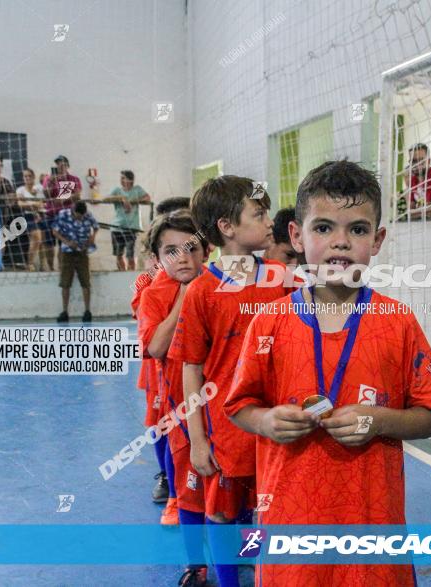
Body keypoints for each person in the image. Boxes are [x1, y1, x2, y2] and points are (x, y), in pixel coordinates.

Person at [224, 160, 431, 586]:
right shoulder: (269, 323)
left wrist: (378, 419)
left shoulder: (397, 322)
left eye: (359, 230)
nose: (341, 243)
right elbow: (238, 406)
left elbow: (428, 418)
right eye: (324, 228)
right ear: (296, 235)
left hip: (372, 530)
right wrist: (267, 420)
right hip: (290, 526)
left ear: (378, 239)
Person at [168, 175, 291, 587]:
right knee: (221, 512)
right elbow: (191, 369)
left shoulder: (281, 280)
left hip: (275, 427)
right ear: (227, 227)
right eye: (258, 213)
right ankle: (228, 581)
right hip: (226, 432)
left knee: (265, 509)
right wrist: (198, 439)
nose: (269, 220)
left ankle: (258, 574)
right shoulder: (202, 291)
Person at [138, 210, 211, 582]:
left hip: (227, 409)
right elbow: (155, 347)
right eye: (171, 251)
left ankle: (245, 556)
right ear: (157, 259)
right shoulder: (154, 295)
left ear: (205, 251)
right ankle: (195, 563)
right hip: (182, 411)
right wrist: (185, 296)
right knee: (190, 490)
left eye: (191, 248)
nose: (183, 257)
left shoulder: (222, 288)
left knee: (240, 489)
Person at [130, 196, 192, 508]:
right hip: (159, 371)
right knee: (161, 421)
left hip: (193, 372)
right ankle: (168, 479)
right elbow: (153, 343)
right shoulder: (149, 284)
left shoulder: (207, 279)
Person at [94, 170, 151, 271]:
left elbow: (147, 198)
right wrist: (122, 198)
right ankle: (122, 272)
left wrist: (132, 202)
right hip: (117, 227)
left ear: (130, 180)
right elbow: (105, 199)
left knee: (130, 255)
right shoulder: (117, 190)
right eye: (121, 178)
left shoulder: (137, 189)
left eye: (123, 178)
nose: (121, 180)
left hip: (131, 227)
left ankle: (130, 274)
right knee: (119, 254)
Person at [51, 200, 97, 323]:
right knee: (65, 283)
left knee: (85, 281)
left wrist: (92, 237)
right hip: (67, 252)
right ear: (73, 210)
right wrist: (67, 242)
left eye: (82, 216)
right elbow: (55, 231)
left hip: (82, 250)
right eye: (78, 216)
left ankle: (87, 311)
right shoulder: (63, 215)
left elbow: (96, 227)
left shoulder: (88, 215)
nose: (80, 218)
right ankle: (65, 311)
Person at [42, 155, 82, 270]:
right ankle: (50, 268)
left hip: (65, 215)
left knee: (62, 244)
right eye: (58, 164)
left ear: (67, 166)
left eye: (63, 164)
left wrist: (64, 199)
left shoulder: (72, 179)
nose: (61, 166)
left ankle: (61, 268)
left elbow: (77, 195)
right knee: (49, 244)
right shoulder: (48, 178)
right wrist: (51, 182)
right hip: (50, 214)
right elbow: (46, 195)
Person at [15, 168, 47, 271]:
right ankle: (30, 263)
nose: (27, 178)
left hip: (41, 215)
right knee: (36, 237)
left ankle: (43, 265)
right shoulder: (20, 190)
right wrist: (33, 204)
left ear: (34, 177)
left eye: (29, 176)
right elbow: (20, 204)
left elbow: (42, 203)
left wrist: (29, 203)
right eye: (25, 176)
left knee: (43, 241)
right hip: (28, 216)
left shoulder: (39, 188)